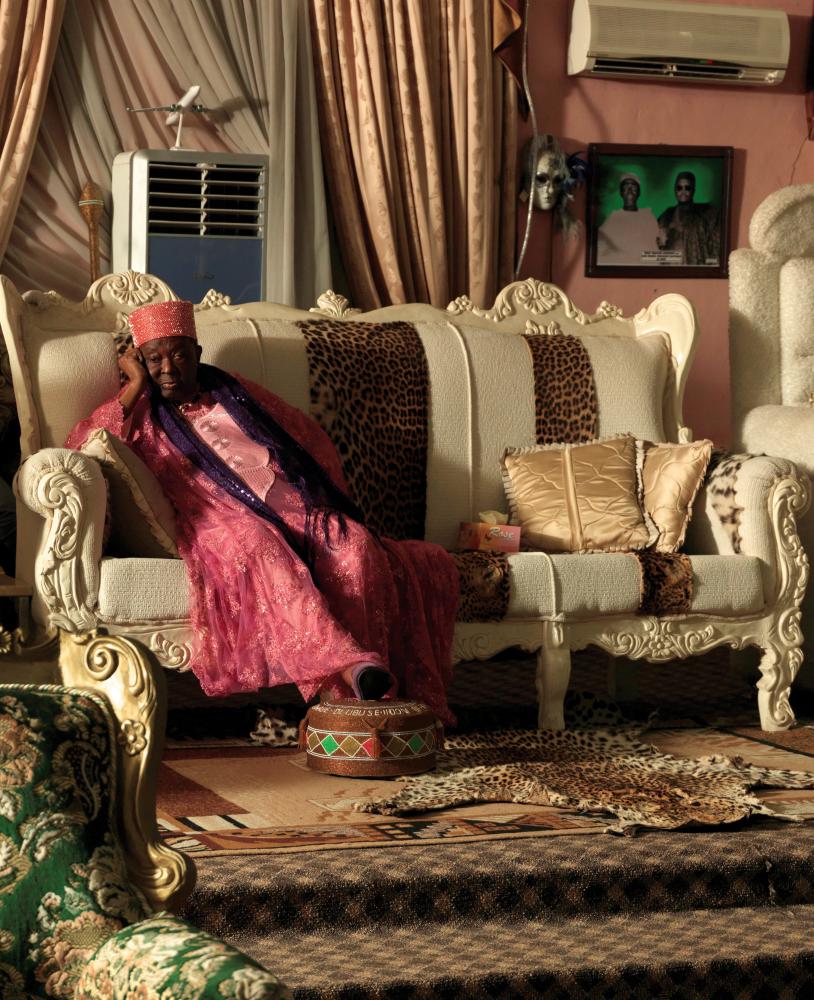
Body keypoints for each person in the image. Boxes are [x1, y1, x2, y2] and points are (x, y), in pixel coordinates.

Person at [66, 300, 460, 722]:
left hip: (295, 506)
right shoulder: (141, 412)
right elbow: (83, 445)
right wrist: (133, 386)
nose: (168, 368)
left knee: (357, 546)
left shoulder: (234, 391)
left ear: (197, 354)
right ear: (141, 361)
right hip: (221, 517)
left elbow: (305, 436)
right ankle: (352, 673)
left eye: (179, 354)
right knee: (260, 544)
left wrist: (318, 501)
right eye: (155, 358)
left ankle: (361, 704)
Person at [657, 171, 720, 266]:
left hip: (695, 269)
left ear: (693, 190)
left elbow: (714, 246)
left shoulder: (704, 215)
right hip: (672, 270)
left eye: (687, 188)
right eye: (679, 188)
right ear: (675, 190)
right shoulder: (667, 215)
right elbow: (656, 241)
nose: (683, 191)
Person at [596, 173, 660, 266]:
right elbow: (602, 248)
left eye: (633, 186)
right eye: (626, 186)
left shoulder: (648, 216)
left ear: (639, 192)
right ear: (621, 192)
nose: (629, 190)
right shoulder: (614, 217)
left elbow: (656, 244)